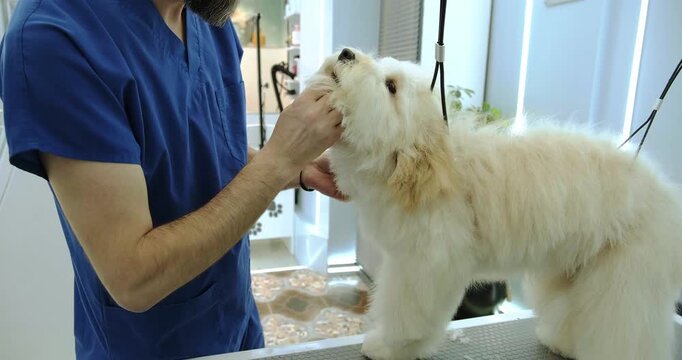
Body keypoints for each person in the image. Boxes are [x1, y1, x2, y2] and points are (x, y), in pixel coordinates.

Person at [0, 0, 345, 358]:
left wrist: (299, 169)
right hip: (149, 346)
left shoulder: (207, 15)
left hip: (236, 327)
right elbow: (133, 276)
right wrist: (278, 161)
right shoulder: (57, 37)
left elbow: (207, 147)